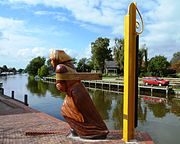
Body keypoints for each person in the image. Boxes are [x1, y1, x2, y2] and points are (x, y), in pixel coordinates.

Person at [50, 50, 109, 139]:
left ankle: (88, 132)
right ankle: (85, 129)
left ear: (57, 59)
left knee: (68, 112)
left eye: (51, 60)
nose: (51, 62)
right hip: (80, 90)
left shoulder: (60, 68)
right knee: (88, 112)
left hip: (73, 94)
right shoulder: (70, 66)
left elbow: (62, 87)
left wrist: (58, 85)